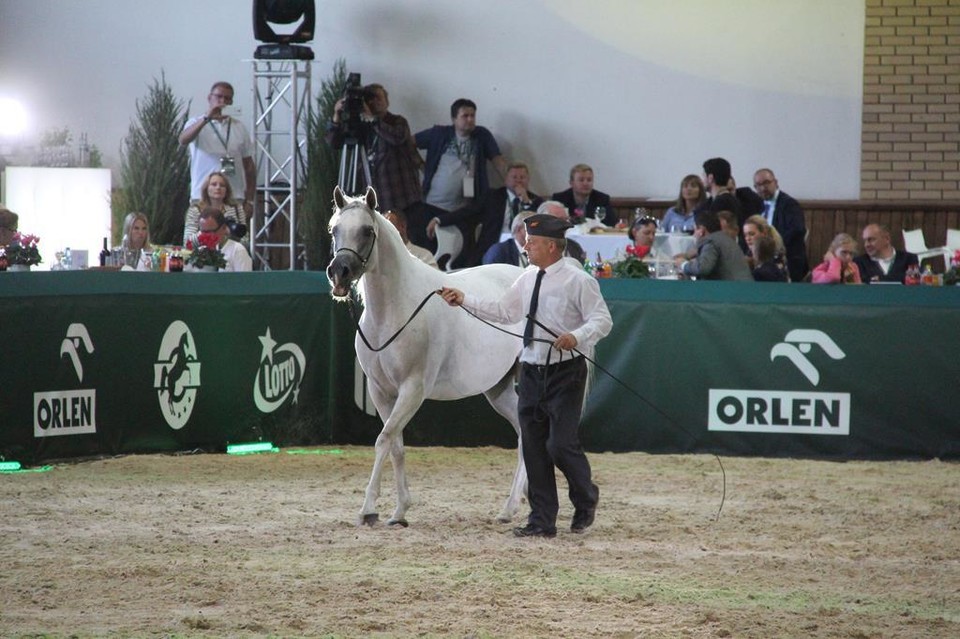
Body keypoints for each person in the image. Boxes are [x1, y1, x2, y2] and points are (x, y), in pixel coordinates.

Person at [438, 214, 612, 538]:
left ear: (550, 246)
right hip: (532, 371)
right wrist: (464, 301)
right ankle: (542, 520)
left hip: (565, 372)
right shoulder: (527, 277)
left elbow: (603, 320)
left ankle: (585, 497)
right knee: (532, 447)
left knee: (560, 445)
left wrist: (577, 336)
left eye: (532, 242)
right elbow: (504, 311)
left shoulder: (578, 281)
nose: (526, 246)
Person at [415, 98, 508, 245]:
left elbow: (498, 160)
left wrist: (511, 184)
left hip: (463, 207)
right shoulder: (439, 133)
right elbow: (409, 142)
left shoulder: (481, 135)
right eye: (465, 116)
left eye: (473, 115)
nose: (470, 119)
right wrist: (421, 165)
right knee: (431, 244)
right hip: (432, 204)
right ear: (454, 119)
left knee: (460, 247)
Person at [327, 83, 423, 221]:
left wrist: (372, 119)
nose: (374, 102)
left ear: (387, 101)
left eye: (378, 97)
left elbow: (397, 137)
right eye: (369, 98)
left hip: (402, 197)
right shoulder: (361, 126)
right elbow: (334, 143)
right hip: (376, 197)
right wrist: (336, 115)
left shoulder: (397, 121)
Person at [427, 161, 543, 268]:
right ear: (506, 179)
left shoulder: (536, 202)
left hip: (523, 248)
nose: (518, 181)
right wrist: (440, 219)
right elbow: (467, 211)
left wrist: (526, 202)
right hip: (494, 246)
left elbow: (539, 224)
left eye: (522, 177)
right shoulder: (492, 196)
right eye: (514, 177)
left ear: (528, 179)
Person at [179, 81, 256, 219]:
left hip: (234, 196)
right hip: (202, 196)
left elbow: (249, 166)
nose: (223, 101)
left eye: (227, 98)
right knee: (202, 239)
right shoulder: (195, 122)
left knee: (234, 239)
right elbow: (183, 140)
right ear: (210, 98)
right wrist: (206, 118)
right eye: (219, 97)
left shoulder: (239, 127)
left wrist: (249, 200)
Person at [753, 168, 809, 283]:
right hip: (764, 259)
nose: (763, 188)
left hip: (789, 259)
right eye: (758, 185)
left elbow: (797, 231)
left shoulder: (789, 204)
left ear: (776, 182)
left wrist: (773, 246)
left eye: (767, 183)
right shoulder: (757, 205)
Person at [676, 209, 753, 281]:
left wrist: (684, 264)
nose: (694, 234)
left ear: (701, 230)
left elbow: (703, 268)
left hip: (730, 292)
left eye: (695, 229)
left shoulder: (711, 241)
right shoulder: (725, 239)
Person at [183, 172, 246, 248]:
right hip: (204, 255)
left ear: (226, 190)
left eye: (222, 185)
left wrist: (232, 234)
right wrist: (207, 231)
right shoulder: (196, 210)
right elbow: (187, 243)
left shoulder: (237, 208)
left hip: (232, 254)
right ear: (206, 188)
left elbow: (246, 241)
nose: (218, 187)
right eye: (214, 184)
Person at [551, 163, 617, 226]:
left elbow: (611, 223)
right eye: (581, 180)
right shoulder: (559, 199)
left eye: (589, 180)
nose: (585, 183)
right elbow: (552, 224)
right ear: (571, 183)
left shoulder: (602, 199)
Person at [854, 223, 919, 284]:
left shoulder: (908, 259)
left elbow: (914, 282)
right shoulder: (859, 263)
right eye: (865, 241)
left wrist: (879, 279)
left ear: (887, 239)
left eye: (871, 240)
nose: (866, 245)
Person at [195, 208, 252, 272]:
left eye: (211, 232)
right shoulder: (200, 251)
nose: (206, 236)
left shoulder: (237, 250)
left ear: (224, 228)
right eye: (203, 232)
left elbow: (246, 280)